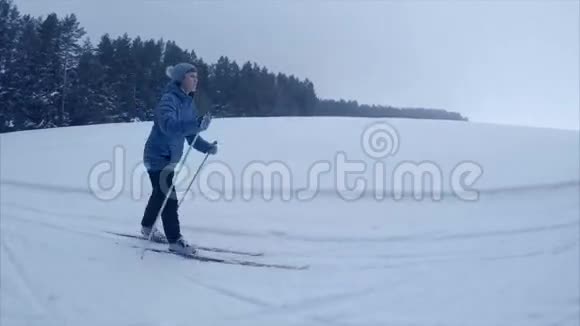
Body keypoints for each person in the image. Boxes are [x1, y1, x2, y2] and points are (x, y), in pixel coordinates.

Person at [141, 62, 218, 255]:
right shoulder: (169, 100)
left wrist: (206, 146)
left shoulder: (188, 103)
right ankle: (175, 240)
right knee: (169, 196)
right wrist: (196, 123)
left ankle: (147, 227)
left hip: (170, 157)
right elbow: (169, 125)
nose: (196, 80)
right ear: (180, 79)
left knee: (160, 194)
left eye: (197, 77)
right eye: (191, 76)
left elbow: (190, 135)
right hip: (157, 155)